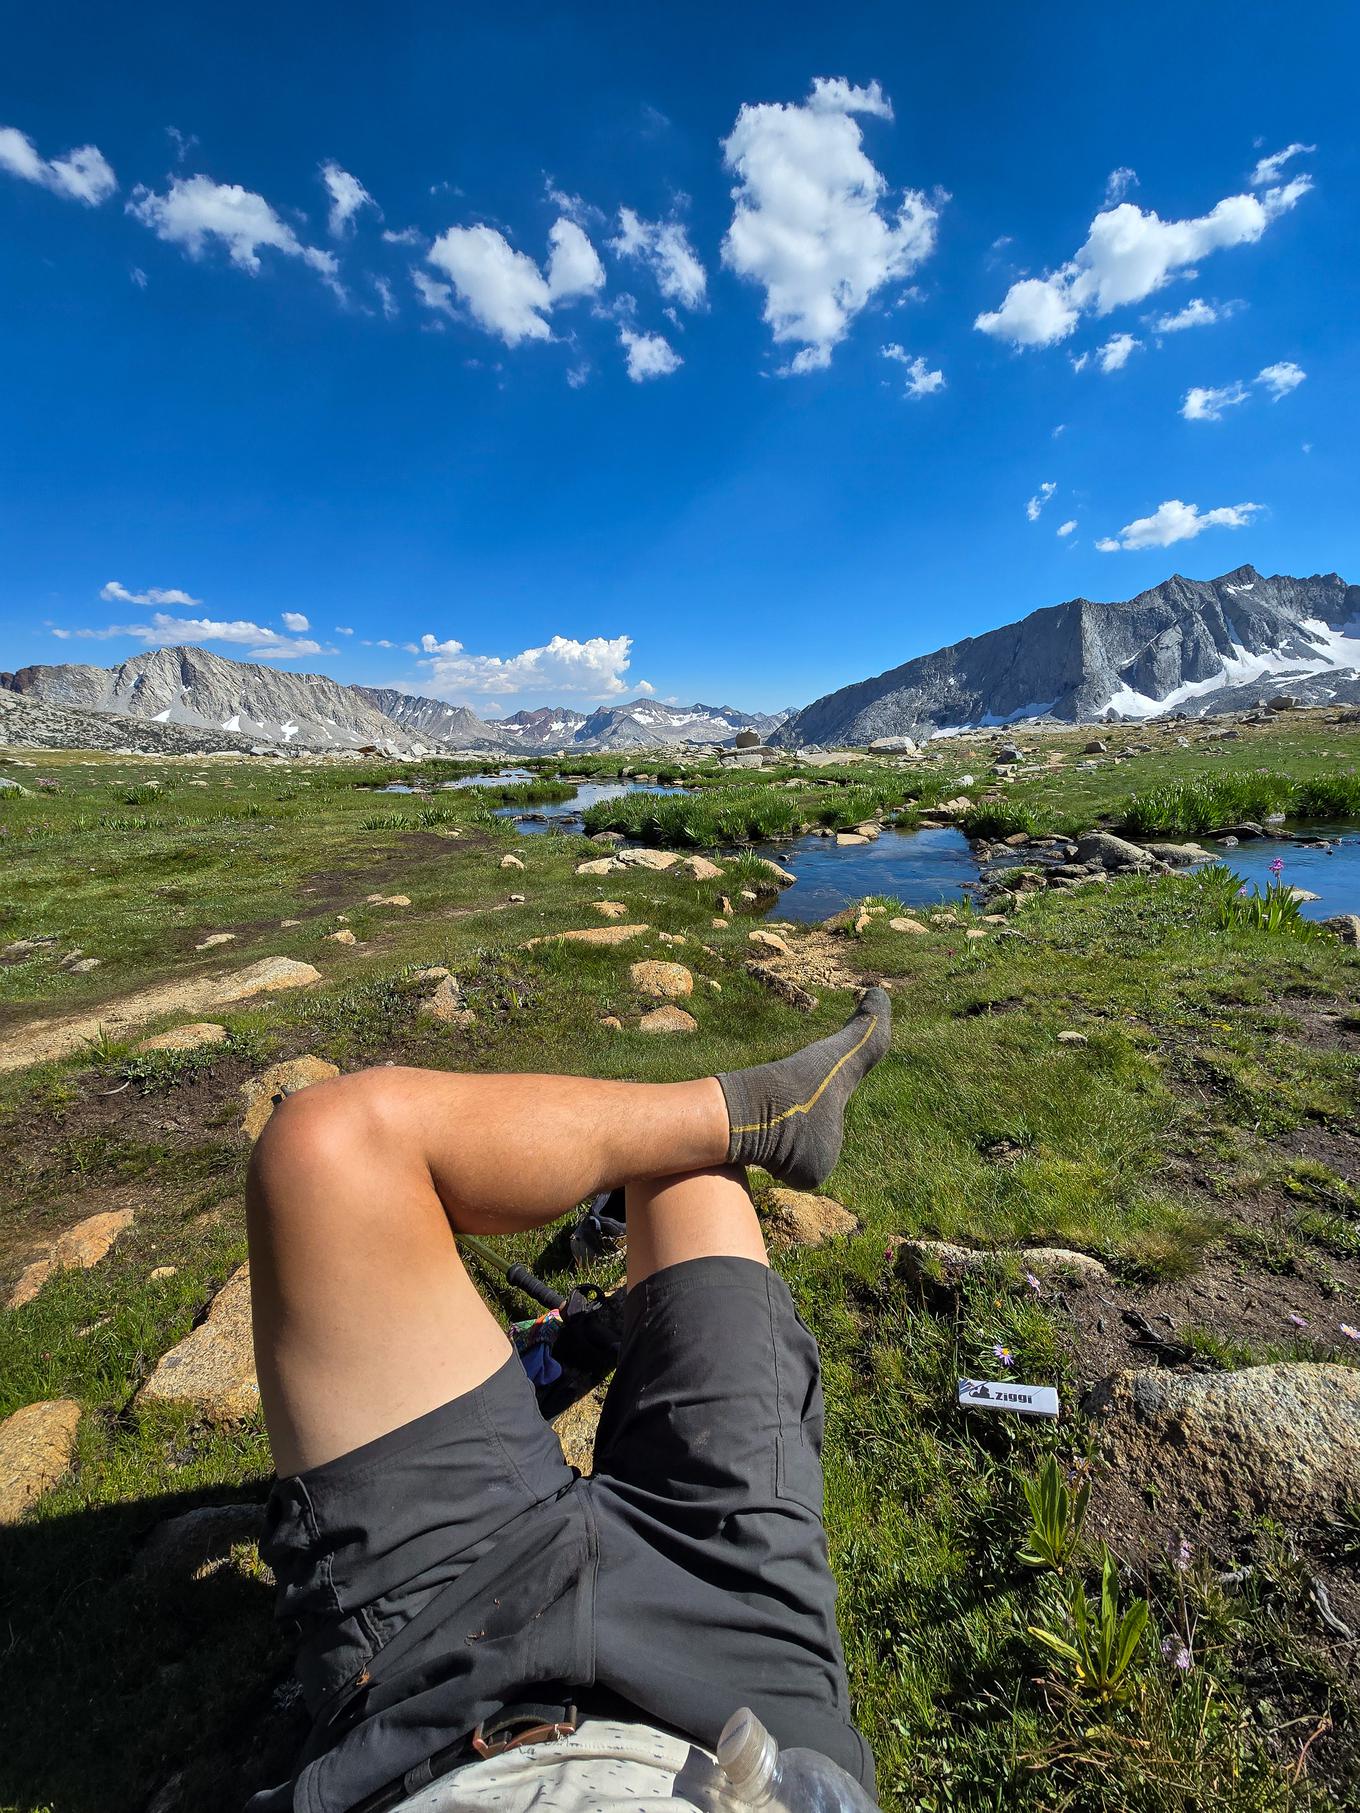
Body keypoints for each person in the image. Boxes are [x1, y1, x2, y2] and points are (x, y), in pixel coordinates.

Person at [245, 987, 892, 1812]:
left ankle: (741, 1122)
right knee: (689, 1175)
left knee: (322, 1147)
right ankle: (761, 1114)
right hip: (739, 1664)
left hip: (432, 1679)